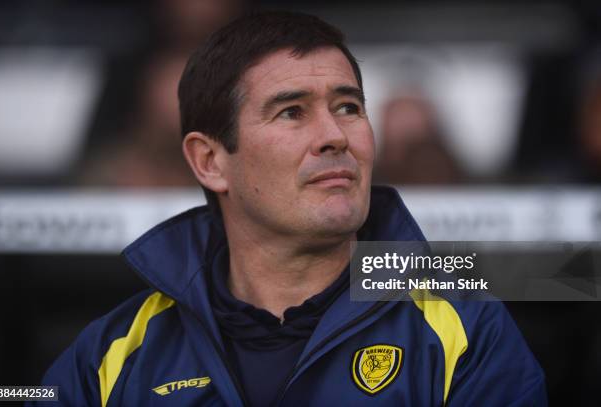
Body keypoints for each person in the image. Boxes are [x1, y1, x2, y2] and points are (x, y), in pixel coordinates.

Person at [35, 11, 547, 406]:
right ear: (210, 161)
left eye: (348, 107)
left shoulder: (465, 328)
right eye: (291, 112)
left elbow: (568, 276)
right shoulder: (111, 354)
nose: (334, 136)